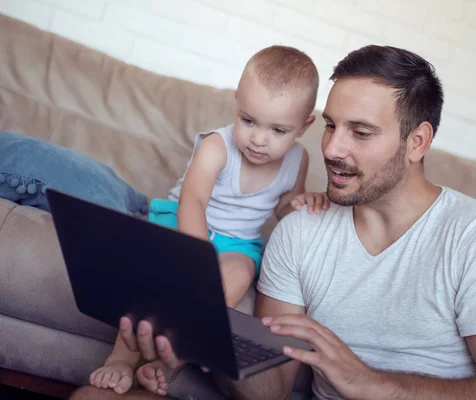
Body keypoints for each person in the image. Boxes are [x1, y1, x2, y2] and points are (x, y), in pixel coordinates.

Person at [72, 45, 476, 400]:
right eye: (330, 126)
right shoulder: (300, 233)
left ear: (417, 142)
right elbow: (272, 388)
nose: (332, 149)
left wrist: (375, 384)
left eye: (360, 132)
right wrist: (204, 334)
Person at [86, 45, 329, 396]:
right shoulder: (218, 145)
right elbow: (193, 199)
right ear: (237, 101)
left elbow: (283, 207)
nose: (258, 139)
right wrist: (196, 254)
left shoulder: (297, 161)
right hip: (184, 221)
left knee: (239, 273)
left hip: (237, 242)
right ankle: (120, 359)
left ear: (304, 126)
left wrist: (299, 204)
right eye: (248, 120)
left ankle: (173, 358)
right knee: (154, 275)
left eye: (278, 130)